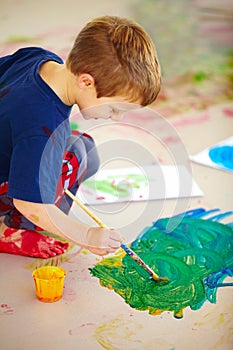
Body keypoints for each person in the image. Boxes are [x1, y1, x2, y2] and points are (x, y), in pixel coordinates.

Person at [0, 16, 161, 259]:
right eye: (115, 109)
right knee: (75, 159)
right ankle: (11, 230)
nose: (115, 118)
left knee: (82, 146)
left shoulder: (38, 58)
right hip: (21, 189)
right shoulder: (43, 128)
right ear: (86, 81)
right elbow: (30, 204)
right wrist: (85, 235)